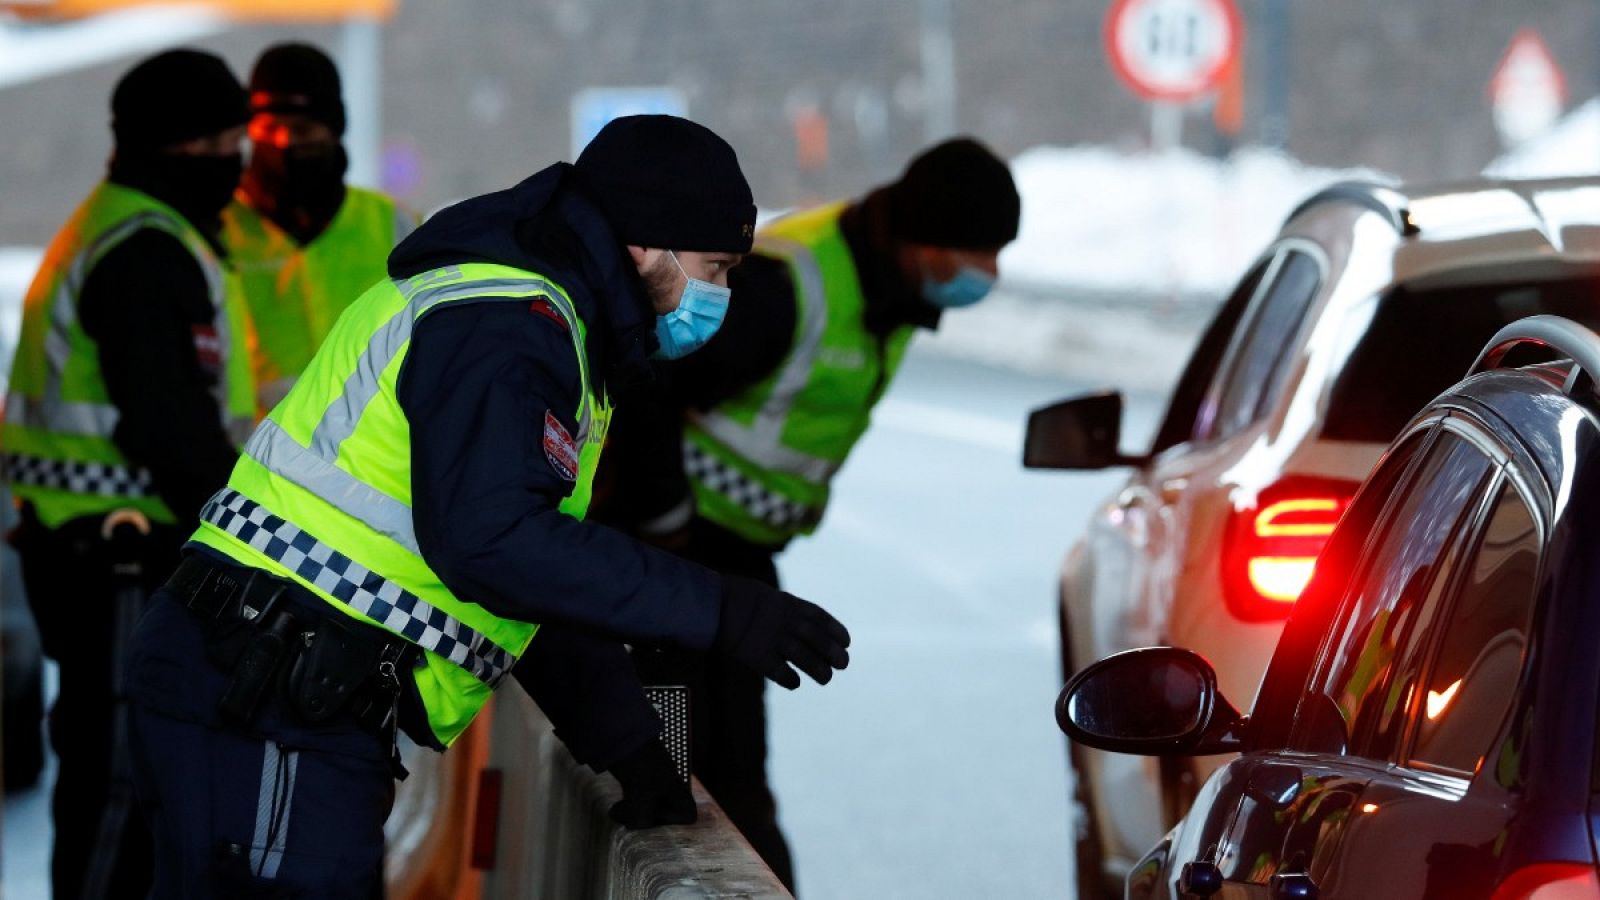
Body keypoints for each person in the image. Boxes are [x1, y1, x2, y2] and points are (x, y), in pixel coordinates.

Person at [122, 114, 853, 896]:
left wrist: (629, 742)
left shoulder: (551, 323)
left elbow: (526, 570)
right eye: (717, 266)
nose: (723, 293)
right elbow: (494, 542)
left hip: (279, 686)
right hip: (272, 693)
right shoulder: (507, 320)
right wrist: (721, 610)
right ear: (643, 245)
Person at [597, 136, 1021, 890]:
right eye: (976, 253)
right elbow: (650, 389)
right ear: (921, 240)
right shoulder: (788, 287)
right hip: (677, 558)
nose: (986, 274)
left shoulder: (889, 284)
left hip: (732, 559)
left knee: (724, 775)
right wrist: (664, 521)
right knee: (690, 777)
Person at [0, 49, 254, 900]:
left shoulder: (133, 229)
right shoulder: (143, 253)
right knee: (121, 777)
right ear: (177, 146)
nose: (236, 159)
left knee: (131, 778)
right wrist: (255, 544)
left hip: (99, 554)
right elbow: (169, 429)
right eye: (223, 139)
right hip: (119, 558)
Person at [223, 42, 417, 412]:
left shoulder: (395, 227)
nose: (284, 143)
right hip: (251, 462)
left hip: (365, 461)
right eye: (270, 127)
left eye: (303, 128)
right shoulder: (218, 230)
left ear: (334, 129)